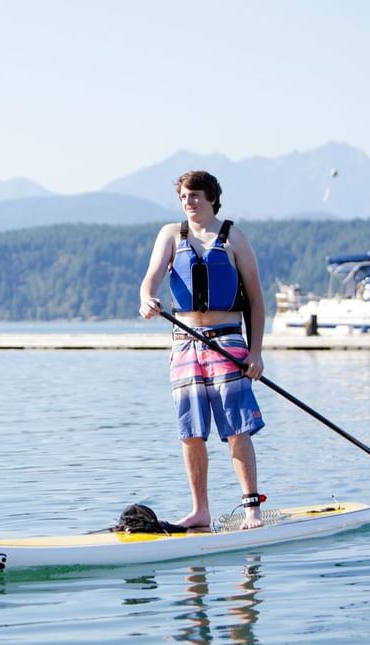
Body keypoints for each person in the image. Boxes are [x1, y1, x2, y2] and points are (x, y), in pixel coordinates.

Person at [139, 170, 266, 530]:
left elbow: (256, 301)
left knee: (236, 427)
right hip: (185, 343)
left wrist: (255, 353)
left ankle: (251, 508)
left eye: (195, 196)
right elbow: (151, 278)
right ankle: (201, 510)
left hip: (227, 341)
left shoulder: (234, 238)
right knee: (191, 430)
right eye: (183, 197)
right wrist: (147, 297)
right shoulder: (170, 234)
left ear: (211, 197)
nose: (188, 202)